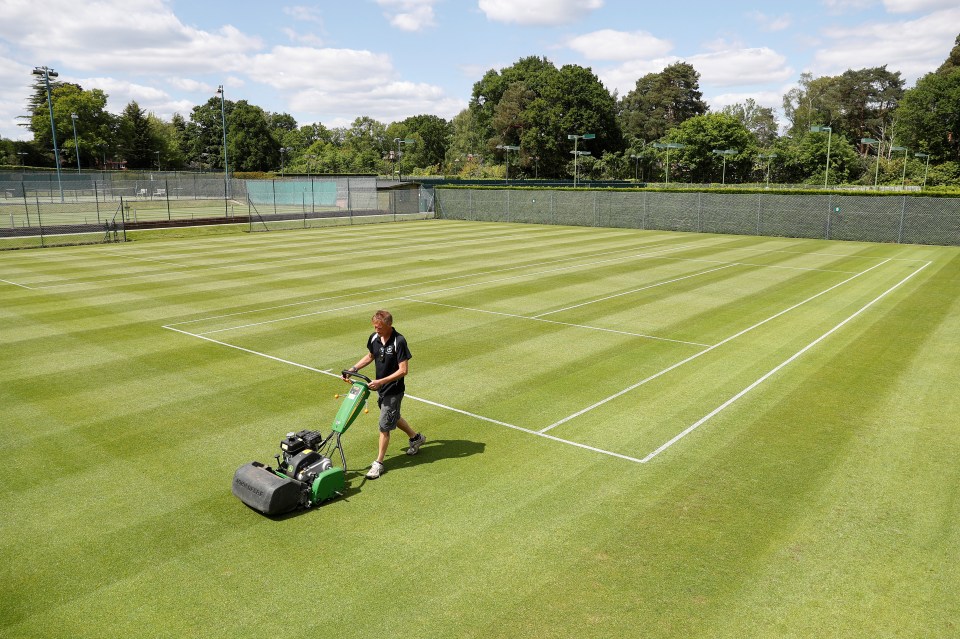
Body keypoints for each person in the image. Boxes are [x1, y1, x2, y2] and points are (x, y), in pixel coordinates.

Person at [343, 310, 425, 479]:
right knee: (392, 417)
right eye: (374, 327)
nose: (376, 330)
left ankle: (378, 463)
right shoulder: (374, 338)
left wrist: (381, 381)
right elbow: (370, 356)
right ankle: (415, 438)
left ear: (389, 325)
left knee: (384, 426)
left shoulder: (399, 341)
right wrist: (354, 369)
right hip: (381, 388)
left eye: (379, 327)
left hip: (394, 390)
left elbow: (403, 370)